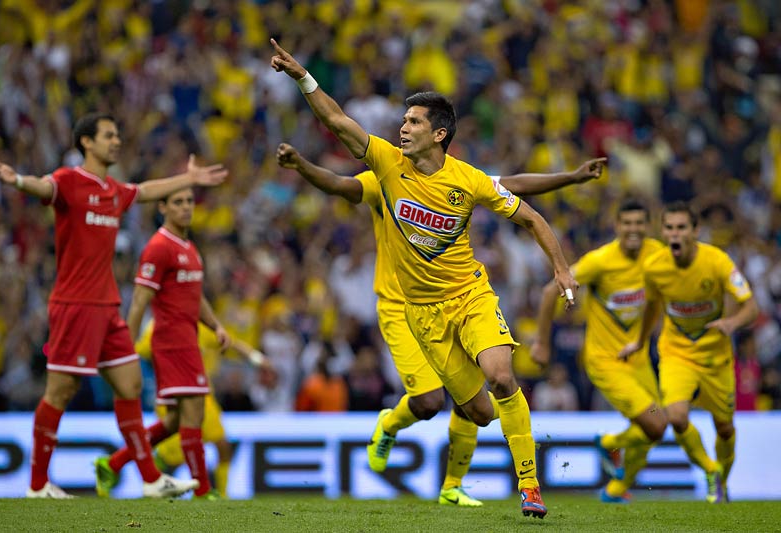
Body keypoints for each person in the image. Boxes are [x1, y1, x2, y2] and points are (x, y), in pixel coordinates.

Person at [270, 40, 580, 519]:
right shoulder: (387, 166)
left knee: (501, 376)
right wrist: (303, 77)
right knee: (474, 412)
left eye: (413, 122)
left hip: (470, 296)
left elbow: (532, 217)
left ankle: (530, 487)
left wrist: (561, 268)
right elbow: (336, 123)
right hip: (419, 313)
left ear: (439, 134)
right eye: (404, 120)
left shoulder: (469, 179)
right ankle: (408, 438)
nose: (403, 128)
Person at [0, 112, 227, 498]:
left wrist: (190, 178)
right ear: (87, 142)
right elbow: (42, 188)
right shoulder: (69, 181)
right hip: (75, 304)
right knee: (60, 393)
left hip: (107, 307)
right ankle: (36, 485)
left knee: (130, 384)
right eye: (109, 136)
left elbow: (149, 190)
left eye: (117, 135)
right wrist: (15, 180)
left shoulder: (114, 191)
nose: (116, 141)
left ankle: (151, 480)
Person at [93, 187, 259, 500]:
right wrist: (127, 342)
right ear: (163, 207)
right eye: (178, 203)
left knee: (172, 422)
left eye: (188, 202)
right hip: (172, 344)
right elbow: (141, 298)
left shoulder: (189, 248)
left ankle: (112, 464)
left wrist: (216, 326)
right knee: (193, 414)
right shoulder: (159, 247)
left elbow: (195, 298)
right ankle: (204, 492)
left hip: (188, 340)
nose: (186, 208)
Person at [619, 201, 759, 503]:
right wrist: (639, 341)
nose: (675, 234)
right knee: (677, 416)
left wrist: (732, 323)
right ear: (663, 231)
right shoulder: (655, 267)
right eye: (669, 228)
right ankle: (711, 472)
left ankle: (723, 479)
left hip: (716, 358)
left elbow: (751, 306)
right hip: (676, 353)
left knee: (724, 427)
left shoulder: (718, 262)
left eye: (682, 227)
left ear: (695, 231)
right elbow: (653, 307)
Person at [532, 198, 668, 503]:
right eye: (627, 223)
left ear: (647, 226)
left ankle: (616, 488)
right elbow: (548, 290)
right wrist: (541, 342)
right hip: (604, 361)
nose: (633, 229)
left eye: (639, 224)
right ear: (617, 226)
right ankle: (611, 444)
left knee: (652, 429)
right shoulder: (600, 262)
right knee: (656, 422)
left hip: (639, 358)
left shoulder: (657, 255)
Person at [100, 318, 271, 498]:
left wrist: (258, 359)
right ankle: (120, 467)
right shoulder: (156, 327)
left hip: (204, 397)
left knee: (222, 445)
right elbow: (143, 353)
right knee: (173, 457)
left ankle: (221, 495)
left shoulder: (200, 326)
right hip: (173, 398)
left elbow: (230, 343)